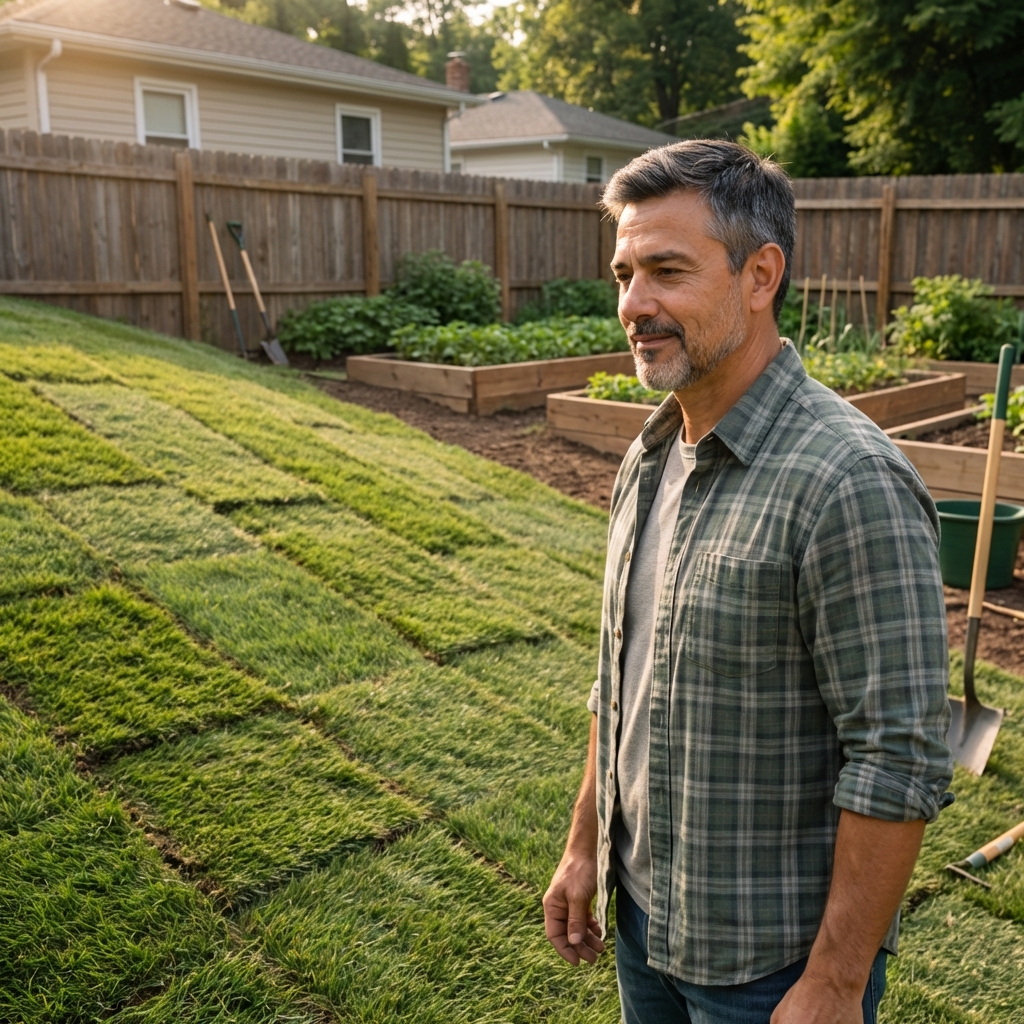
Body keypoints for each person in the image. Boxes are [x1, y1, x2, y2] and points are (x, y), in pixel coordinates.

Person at [542, 140, 954, 1024]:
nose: (633, 305)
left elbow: (900, 760)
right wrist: (586, 846)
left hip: (771, 969)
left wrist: (836, 982)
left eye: (666, 270)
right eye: (624, 273)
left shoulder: (848, 482)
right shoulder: (650, 454)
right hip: (645, 928)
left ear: (760, 274)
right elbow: (620, 678)